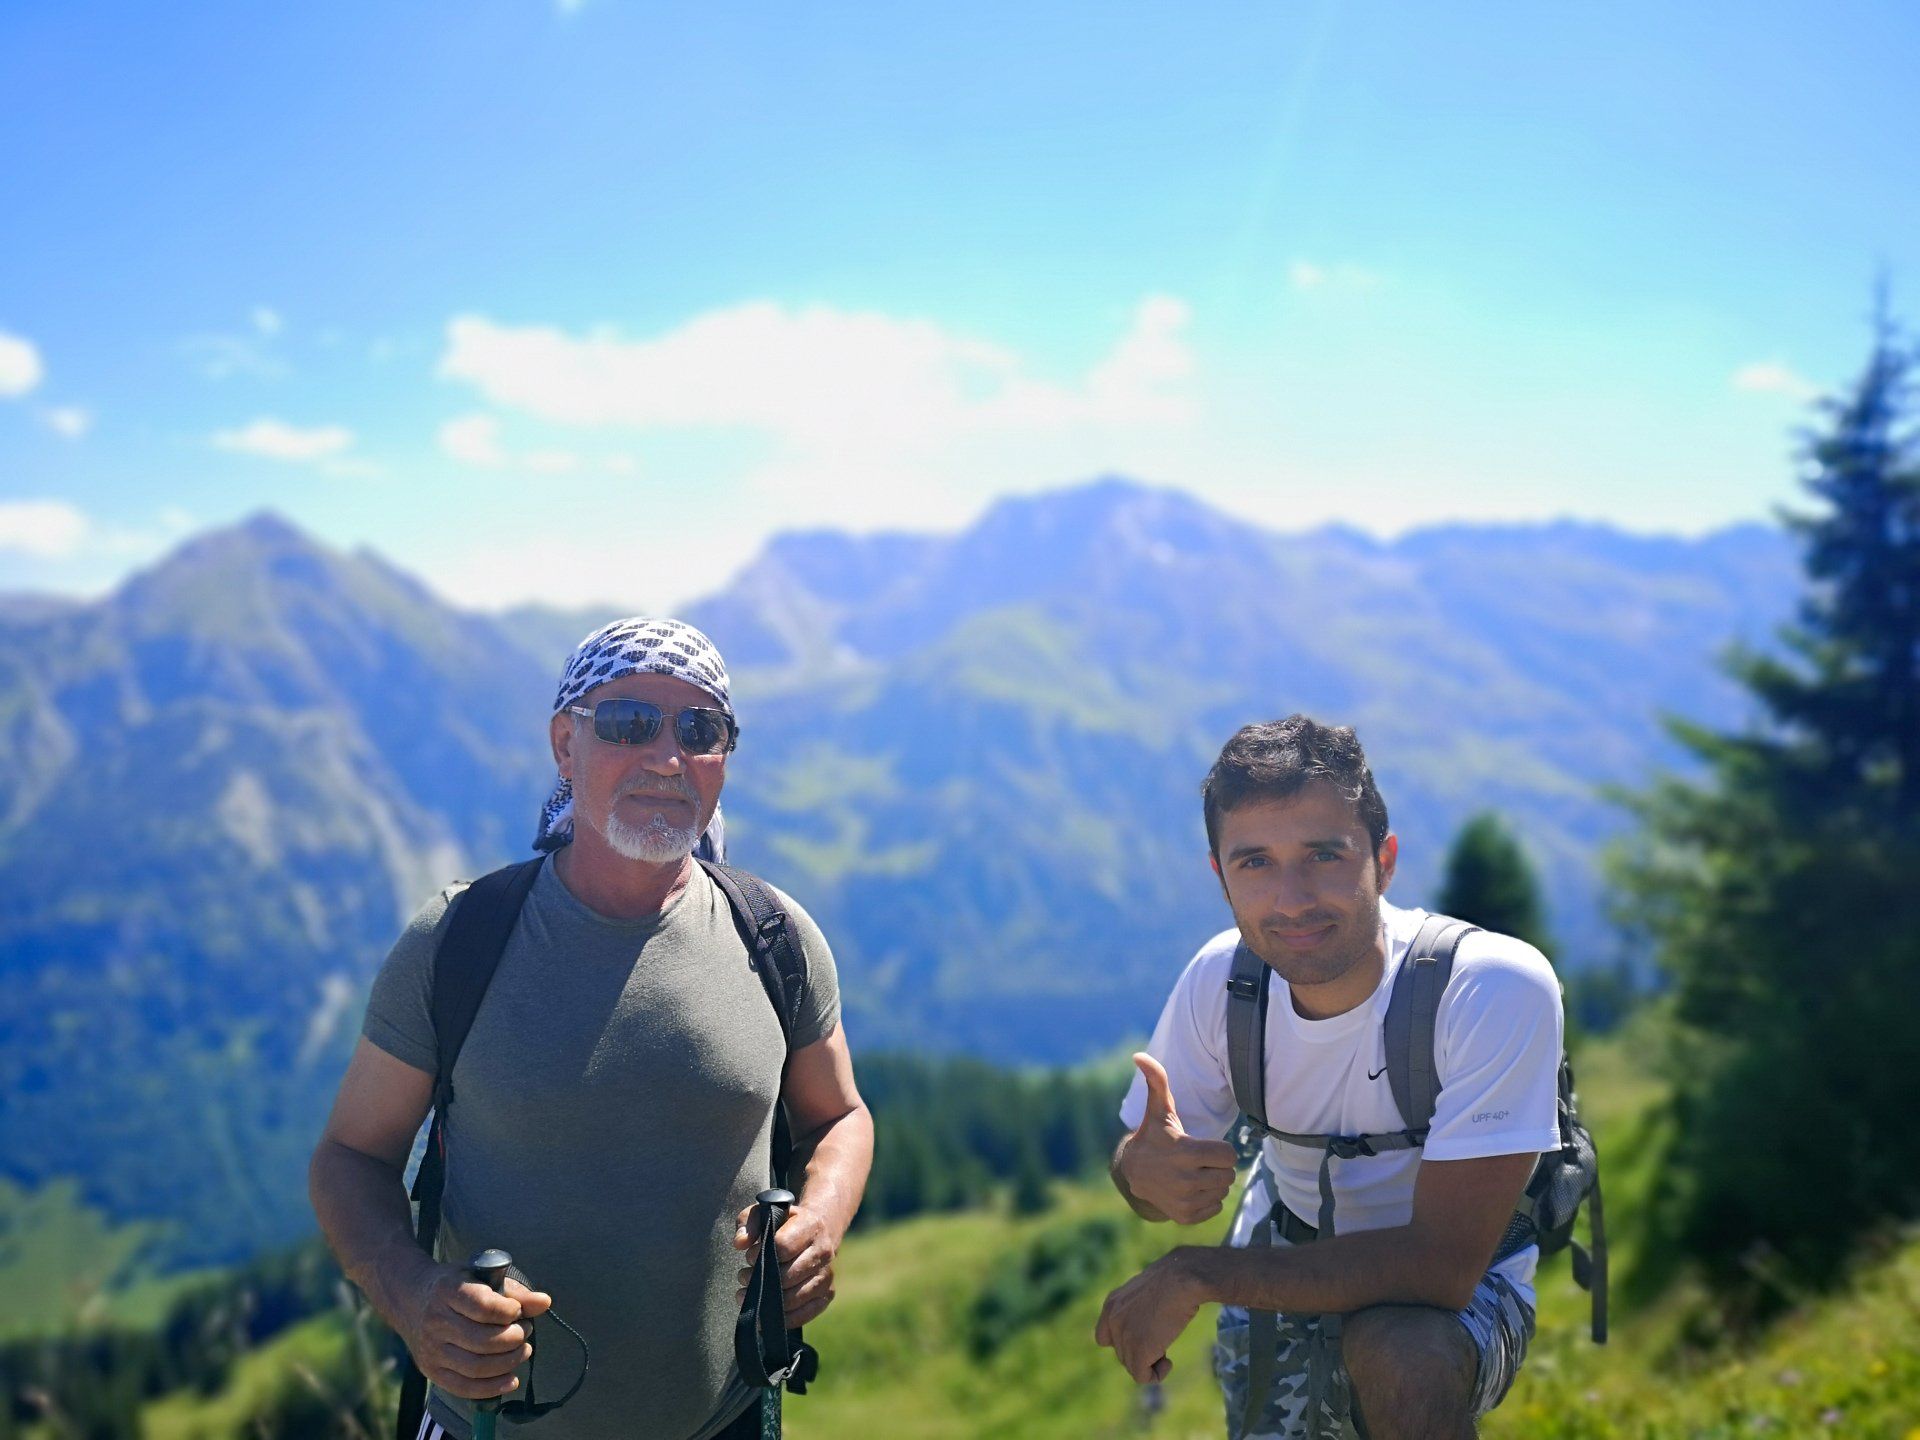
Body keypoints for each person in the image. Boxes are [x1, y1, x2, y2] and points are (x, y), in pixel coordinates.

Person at [309, 617, 874, 1440]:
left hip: (731, 1421)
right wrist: (411, 1295)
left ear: (724, 758)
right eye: (627, 723)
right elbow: (351, 1157)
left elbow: (841, 1116)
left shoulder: (778, 939)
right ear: (563, 746)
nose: (667, 755)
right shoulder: (458, 942)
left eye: (700, 729)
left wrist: (819, 1219)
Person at [1096, 716, 1562, 1440]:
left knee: (1405, 1355)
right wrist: (1140, 1171)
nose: (1291, 899)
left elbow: (1441, 1267)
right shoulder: (1223, 983)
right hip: (1282, 1249)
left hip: (1457, 1284)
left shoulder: (1490, 988)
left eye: (1323, 854)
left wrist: (1198, 1273)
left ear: (1386, 858)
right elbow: (1144, 1171)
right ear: (1219, 876)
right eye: (1254, 862)